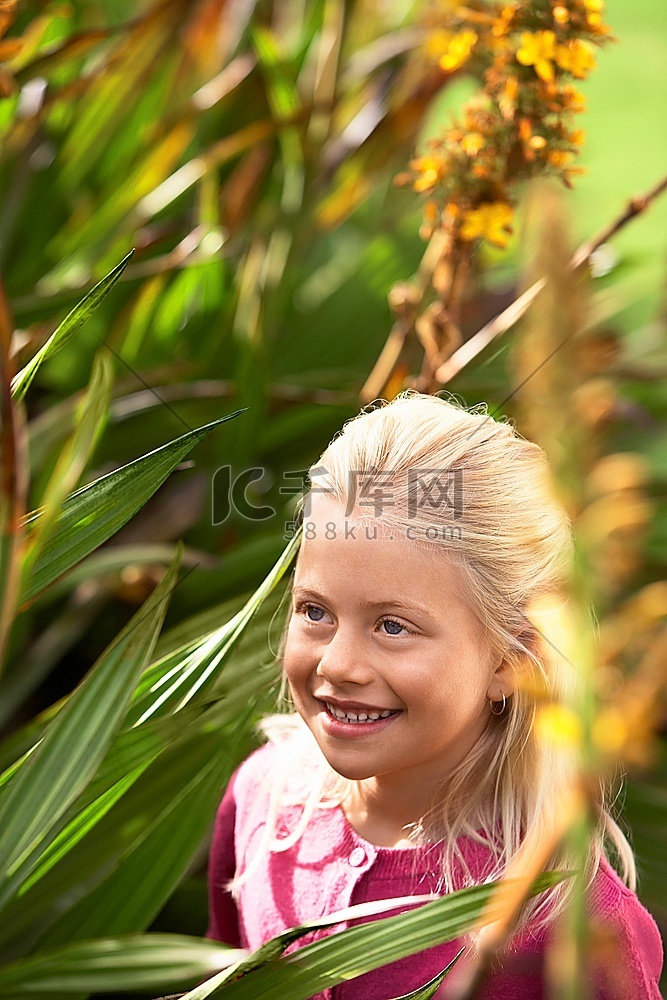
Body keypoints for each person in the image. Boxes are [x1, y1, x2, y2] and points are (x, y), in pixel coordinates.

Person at [205, 392, 663, 999]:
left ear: (513, 659)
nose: (339, 664)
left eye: (393, 626)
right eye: (315, 611)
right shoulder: (261, 797)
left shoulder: (565, 922)